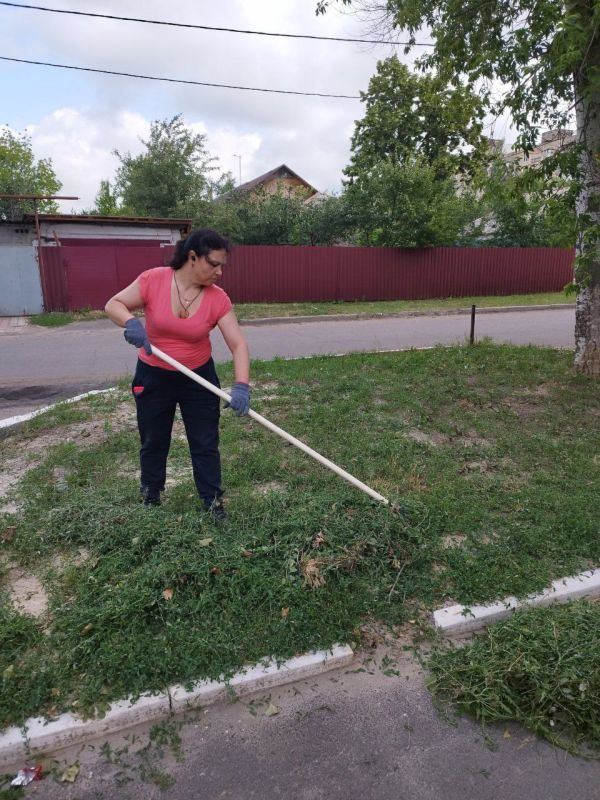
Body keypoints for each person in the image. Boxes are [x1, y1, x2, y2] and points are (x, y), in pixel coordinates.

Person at [105, 228, 250, 522]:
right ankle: (151, 494)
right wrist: (130, 322)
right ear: (192, 257)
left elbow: (238, 344)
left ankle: (212, 502)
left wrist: (241, 385)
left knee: (205, 441)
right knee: (154, 438)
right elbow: (113, 304)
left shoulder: (217, 298)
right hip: (154, 375)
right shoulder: (153, 280)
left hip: (199, 377)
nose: (220, 272)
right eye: (214, 264)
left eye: (223, 265)